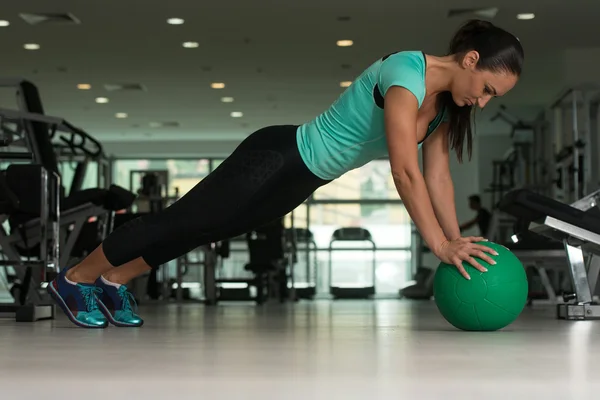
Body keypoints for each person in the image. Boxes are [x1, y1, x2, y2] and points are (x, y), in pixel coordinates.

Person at [47, 19, 524, 328]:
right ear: (469, 60)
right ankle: (75, 277)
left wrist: (458, 241)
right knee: (179, 219)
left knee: (208, 230)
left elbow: (438, 177)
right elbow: (404, 169)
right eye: (485, 89)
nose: (482, 102)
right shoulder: (406, 72)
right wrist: (437, 244)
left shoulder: (446, 111)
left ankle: (113, 283)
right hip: (278, 155)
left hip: (303, 180)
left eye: (491, 99)